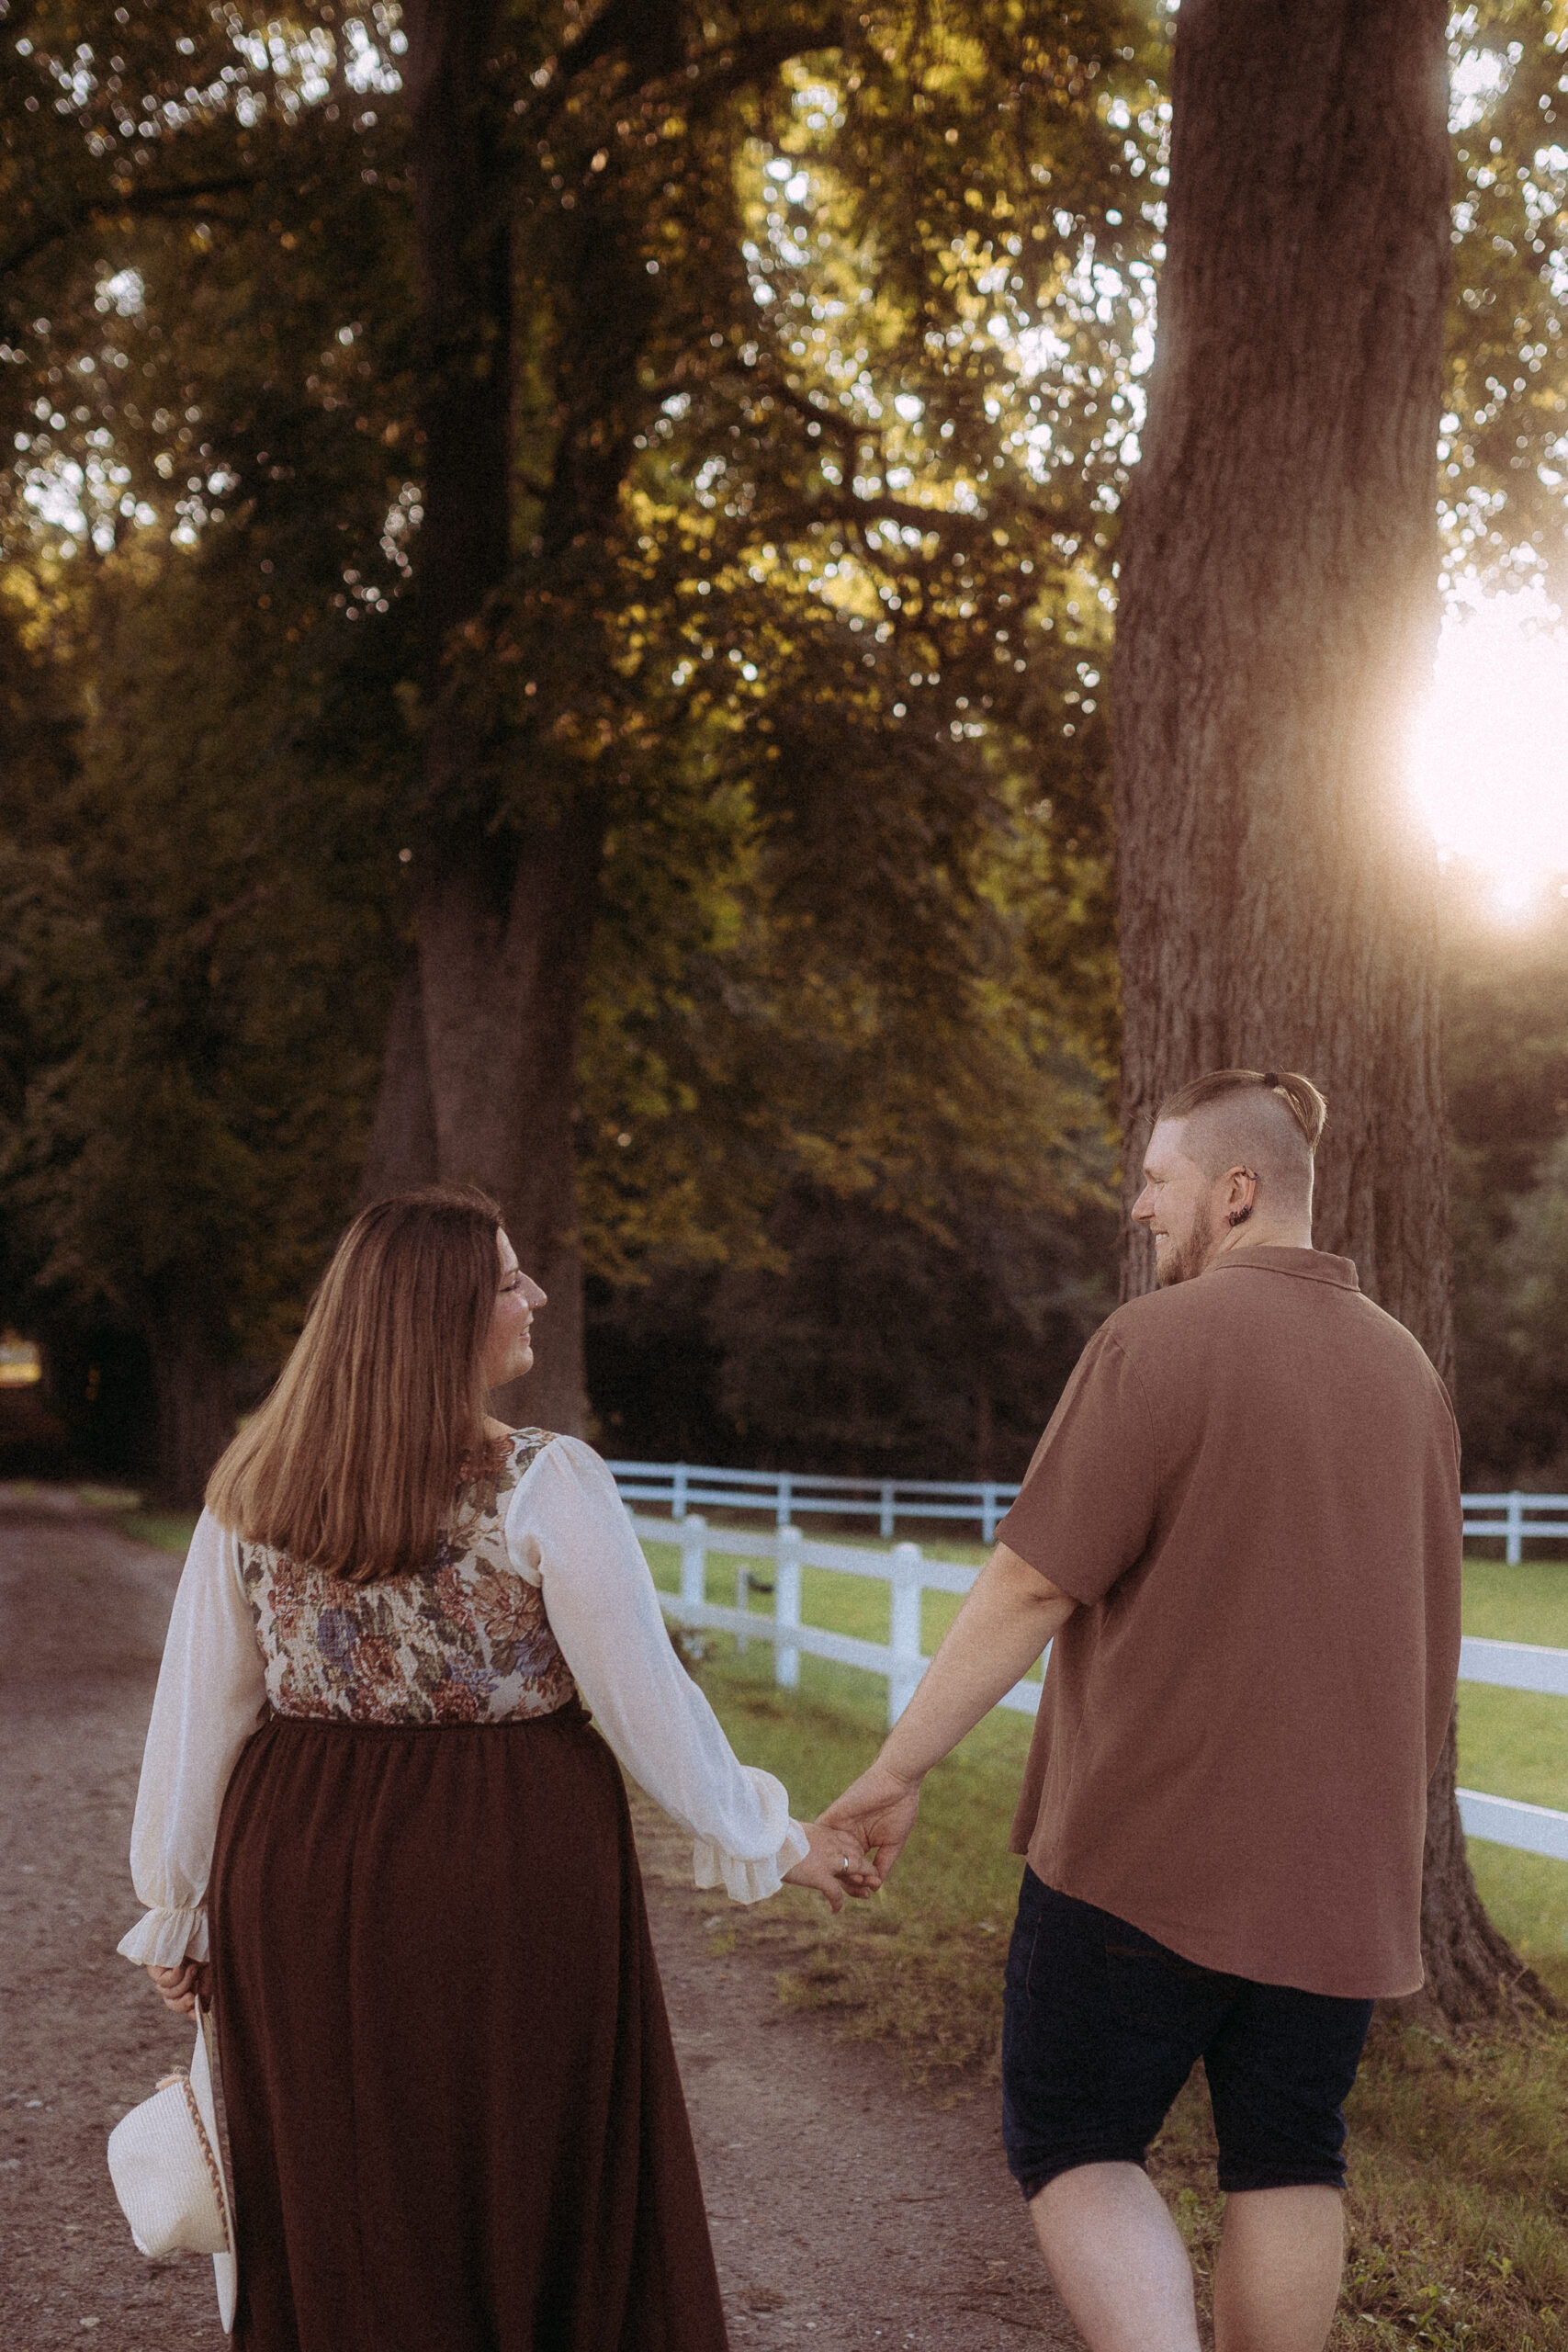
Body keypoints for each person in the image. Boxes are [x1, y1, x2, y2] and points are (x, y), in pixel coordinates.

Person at [120, 1185, 874, 2352]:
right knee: (517, 2166)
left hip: (301, 1858)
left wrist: (184, 1906)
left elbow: (200, 1715)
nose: (535, 1295)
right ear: (439, 1318)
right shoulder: (543, 1480)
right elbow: (649, 1705)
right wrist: (775, 1838)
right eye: (510, 1279)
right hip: (508, 1856)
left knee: (341, 2173)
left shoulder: (253, 1485)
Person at [821, 1069, 1462, 2352]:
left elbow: (1030, 1582)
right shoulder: (1408, 1375)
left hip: (1138, 1857)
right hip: (1338, 1877)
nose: (1136, 1208)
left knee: (1073, 2136)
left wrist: (894, 1771)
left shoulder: (1153, 1343)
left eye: (1155, 1181)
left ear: (1234, 1193)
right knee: (1288, 2159)